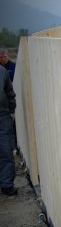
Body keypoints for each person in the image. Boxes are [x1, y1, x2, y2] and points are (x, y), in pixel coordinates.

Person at [0, 65, 17, 195]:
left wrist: (11, 111)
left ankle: (6, 185)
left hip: (2, 116)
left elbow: (10, 93)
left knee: (6, 151)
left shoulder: (2, 71)